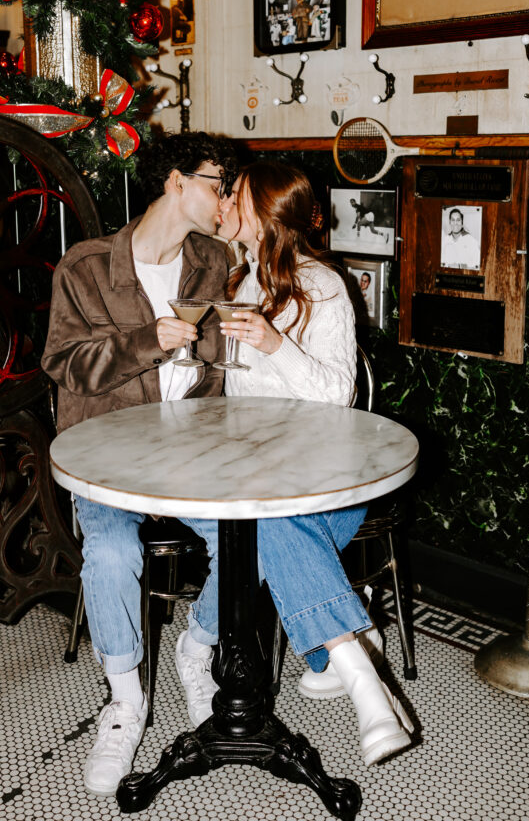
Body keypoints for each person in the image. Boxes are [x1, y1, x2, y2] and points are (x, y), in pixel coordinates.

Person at [41, 132, 238, 797]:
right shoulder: (87, 267)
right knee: (112, 553)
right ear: (174, 182)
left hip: (192, 445)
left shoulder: (215, 260)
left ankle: (195, 650)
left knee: (250, 540)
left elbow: (225, 350)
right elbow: (64, 364)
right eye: (216, 183)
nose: (224, 199)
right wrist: (142, 343)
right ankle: (124, 705)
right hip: (107, 450)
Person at [216, 163, 414, 767]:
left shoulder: (323, 285)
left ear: (265, 211)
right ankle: (353, 658)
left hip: (332, 474)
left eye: (237, 195)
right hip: (265, 468)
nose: (227, 201)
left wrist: (277, 344)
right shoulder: (243, 283)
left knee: (260, 526)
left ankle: (344, 661)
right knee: (262, 517)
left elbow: (338, 398)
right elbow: (237, 400)